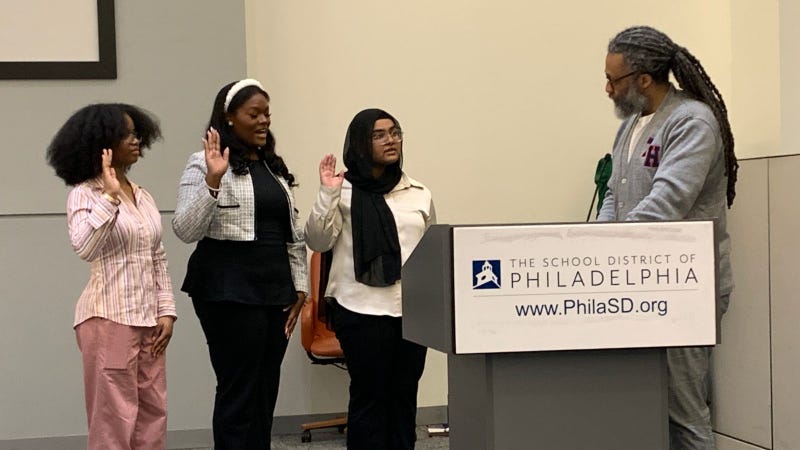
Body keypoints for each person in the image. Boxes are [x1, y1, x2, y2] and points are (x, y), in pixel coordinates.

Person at [597, 26, 738, 450]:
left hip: (685, 288)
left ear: (643, 79)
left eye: (614, 80)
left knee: (684, 412)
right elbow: (613, 196)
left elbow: (666, 204)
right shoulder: (631, 127)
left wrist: (608, 247)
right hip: (639, 283)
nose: (607, 89)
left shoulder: (692, 121)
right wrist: (590, 249)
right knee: (642, 408)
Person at [172, 79, 308, 449]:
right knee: (240, 390)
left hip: (275, 291)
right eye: (254, 113)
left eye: (267, 113)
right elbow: (185, 228)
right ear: (229, 118)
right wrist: (213, 182)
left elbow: (291, 235)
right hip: (227, 290)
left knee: (265, 390)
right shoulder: (203, 163)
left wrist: (301, 287)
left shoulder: (274, 167)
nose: (264, 120)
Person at [46, 103, 176, 450]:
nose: (137, 140)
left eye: (137, 133)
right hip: (108, 319)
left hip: (150, 321)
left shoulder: (144, 195)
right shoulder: (84, 194)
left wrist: (166, 310)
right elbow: (85, 246)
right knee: (113, 419)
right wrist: (109, 196)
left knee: (153, 414)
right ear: (102, 143)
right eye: (127, 134)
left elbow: (156, 256)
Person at [305, 108, 436, 450]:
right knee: (370, 397)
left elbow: (431, 250)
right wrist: (327, 193)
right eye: (379, 135)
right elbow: (317, 241)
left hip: (411, 311)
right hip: (359, 308)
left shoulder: (418, 192)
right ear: (362, 143)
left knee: (404, 396)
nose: (390, 140)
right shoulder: (343, 190)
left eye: (395, 132)